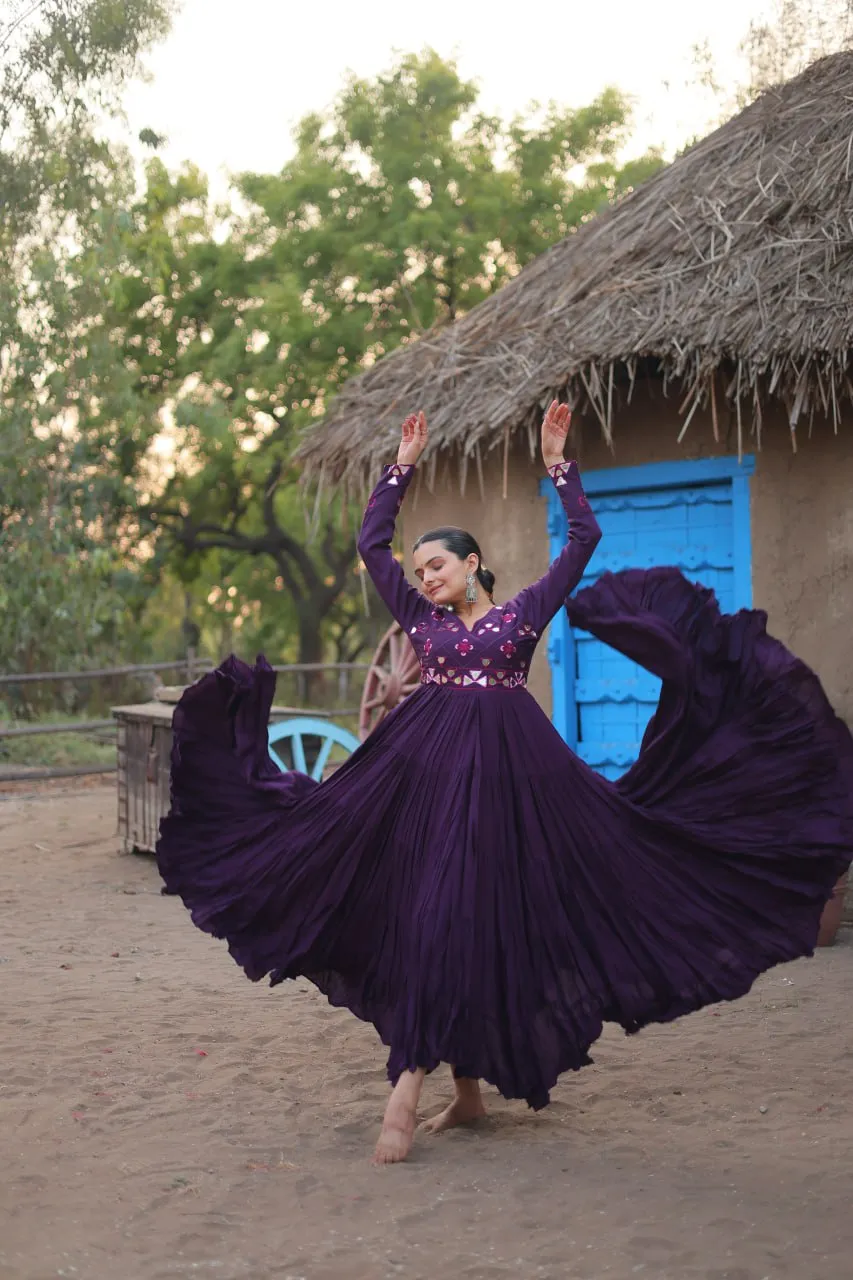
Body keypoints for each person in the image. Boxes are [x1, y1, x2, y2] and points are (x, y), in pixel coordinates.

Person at [157, 401, 853, 1167]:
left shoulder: (521, 615)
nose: (424, 579)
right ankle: (439, 1088)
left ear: (471, 563)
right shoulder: (422, 626)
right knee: (434, 913)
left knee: (476, 917)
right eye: (418, 572)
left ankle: (436, 1089)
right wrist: (401, 465)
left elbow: (583, 539)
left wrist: (559, 463)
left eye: (437, 566)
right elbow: (368, 543)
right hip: (421, 780)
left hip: (513, 784)